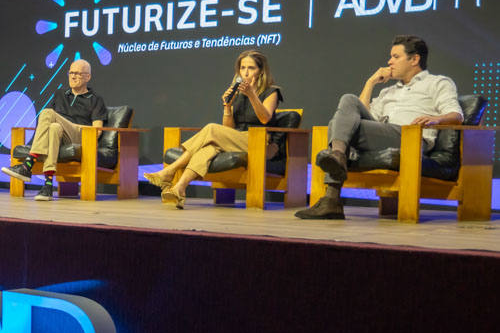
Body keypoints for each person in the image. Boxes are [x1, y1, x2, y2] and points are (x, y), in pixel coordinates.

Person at [295, 34, 462, 220]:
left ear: (414, 59)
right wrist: (371, 83)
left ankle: (332, 199)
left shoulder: (438, 83)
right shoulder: (388, 91)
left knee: (338, 125)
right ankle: (337, 160)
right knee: (347, 104)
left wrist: (435, 119)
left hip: (411, 138)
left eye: (396, 57)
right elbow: (358, 116)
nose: (389, 62)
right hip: (383, 135)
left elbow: (456, 116)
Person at [143, 50, 283, 209]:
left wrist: (252, 95)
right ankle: (180, 188)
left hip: (259, 142)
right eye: (242, 68)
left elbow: (265, 118)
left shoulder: (271, 92)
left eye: (251, 68)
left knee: (211, 128)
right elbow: (228, 129)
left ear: (261, 71)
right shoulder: (237, 93)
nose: (245, 72)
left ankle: (170, 170)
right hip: (236, 140)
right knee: (208, 148)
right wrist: (227, 107)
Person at [1, 59, 108, 201]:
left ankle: (28, 165)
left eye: (77, 73)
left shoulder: (95, 99)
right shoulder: (60, 94)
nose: (73, 76)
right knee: (54, 128)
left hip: (81, 136)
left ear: (87, 77)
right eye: (71, 73)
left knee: (47, 113)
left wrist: (71, 126)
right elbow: (50, 123)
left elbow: (97, 130)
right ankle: (48, 186)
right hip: (60, 135)